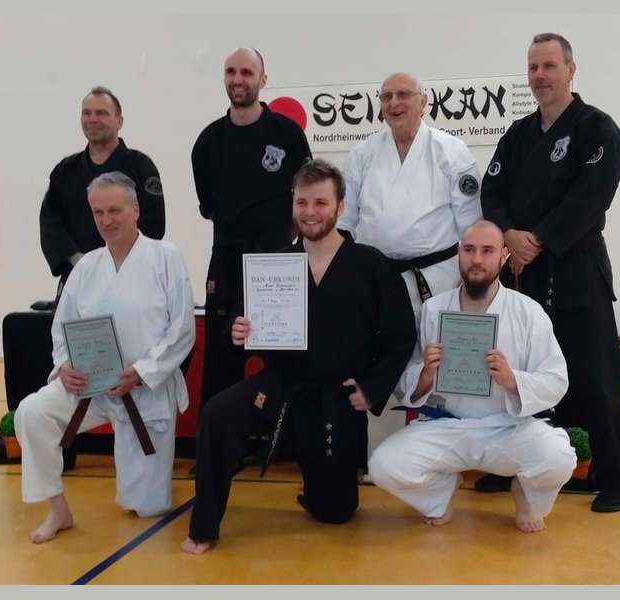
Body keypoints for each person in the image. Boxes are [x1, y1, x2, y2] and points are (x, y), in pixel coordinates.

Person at [181, 159, 416, 554]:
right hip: (282, 383)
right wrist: (239, 329)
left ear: (340, 206)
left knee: (336, 511)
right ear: (292, 204)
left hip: (336, 394)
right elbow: (247, 321)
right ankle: (203, 527)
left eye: (320, 202)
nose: (310, 212)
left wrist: (371, 389)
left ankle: (316, 481)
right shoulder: (274, 263)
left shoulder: (371, 265)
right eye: (302, 202)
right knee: (218, 414)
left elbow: (400, 335)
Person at [480, 33, 620, 512]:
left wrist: (539, 238)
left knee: (595, 377)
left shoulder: (597, 128)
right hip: (523, 276)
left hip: (577, 270)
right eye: (533, 68)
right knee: (522, 376)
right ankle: (516, 464)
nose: (540, 76)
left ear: (571, 69)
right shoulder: (518, 134)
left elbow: (592, 196)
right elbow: (492, 188)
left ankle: (616, 476)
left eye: (549, 66)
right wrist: (507, 234)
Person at [16, 172, 195, 543]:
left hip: (143, 390)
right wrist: (65, 365)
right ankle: (58, 510)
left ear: (135, 210)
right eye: (98, 212)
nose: (106, 220)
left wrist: (141, 373)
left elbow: (182, 330)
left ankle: (146, 481)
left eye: (114, 210)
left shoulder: (165, 257)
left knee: (143, 507)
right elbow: (61, 328)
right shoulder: (86, 266)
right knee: (31, 413)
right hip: (91, 387)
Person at [369, 221, 575, 532]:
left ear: (504, 256)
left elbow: (557, 379)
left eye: (487, 251)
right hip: (445, 425)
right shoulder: (432, 310)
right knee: (384, 465)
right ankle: (440, 494)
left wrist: (513, 380)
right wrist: (425, 375)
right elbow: (404, 382)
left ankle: (527, 495)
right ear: (458, 254)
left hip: (508, 428)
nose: (476, 259)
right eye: (469, 250)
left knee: (558, 457)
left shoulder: (527, 312)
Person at [338, 72, 484, 462]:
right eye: (386, 96)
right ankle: (380, 458)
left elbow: (471, 225)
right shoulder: (364, 154)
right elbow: (344, 223)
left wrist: (475, 282)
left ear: (424, 101)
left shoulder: (450, 151)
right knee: (380, 363)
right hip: (378, 279)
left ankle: (449, 456)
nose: (394, 103)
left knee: (442, 363)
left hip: (438, 277)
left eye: (404, 95)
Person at [191, 47, 312, 409]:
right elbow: (209, 208)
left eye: (247, 72)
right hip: (226, 262)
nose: (238, 79)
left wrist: (282, 247)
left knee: (284, 355)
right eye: (231, 72)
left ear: (263, 78)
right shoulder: (207, 143)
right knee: (220, 358)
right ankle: (218, 452)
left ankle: (286, 443)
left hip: (278, 262)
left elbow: (305, 199)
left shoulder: (287, 135)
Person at [40, 86, 166, 296]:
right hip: (77, 276)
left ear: (119, 121)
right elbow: (50, 224)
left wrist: (113, 262)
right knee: (74, 329)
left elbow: (154, 225)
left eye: (101, 113)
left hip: (130, 276)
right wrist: (80, 261)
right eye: (86, 113)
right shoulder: (65, 171)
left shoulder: (140, 166)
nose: (92, 119)